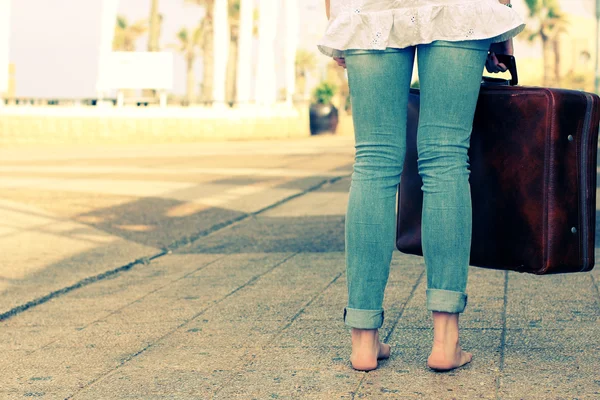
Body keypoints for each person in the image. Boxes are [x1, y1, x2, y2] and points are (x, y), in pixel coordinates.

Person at [318, 0, 525, 372]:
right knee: (445, 156)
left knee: (373, 161)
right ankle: (446, 342)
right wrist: (502, 20)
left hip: (371, 7)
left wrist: (338, 14)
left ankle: (363, 341)